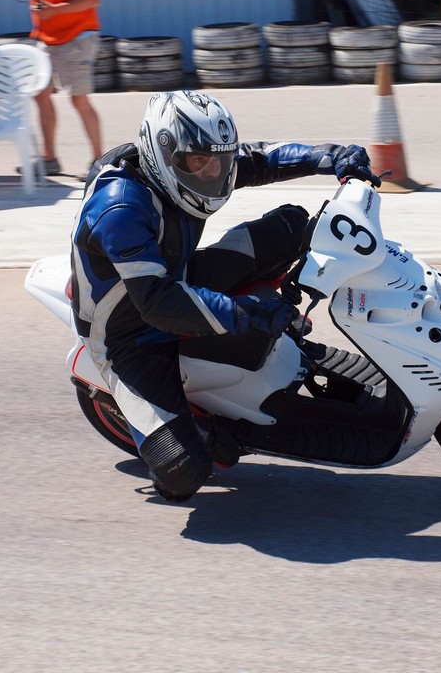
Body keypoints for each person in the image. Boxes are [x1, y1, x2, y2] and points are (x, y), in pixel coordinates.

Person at [71, 90, 379, 502]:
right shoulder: (121, 209)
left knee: (293, 226)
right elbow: (159, 304)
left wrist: (331, 156)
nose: (211, 173)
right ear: (162, 155)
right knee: (183, 473)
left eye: (218, 161)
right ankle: (198, 427)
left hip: (177, 275)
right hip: (130, 334)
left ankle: (270, 330)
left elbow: (261, 159)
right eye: (199, 163)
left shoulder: (188, 166)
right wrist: (248, 311)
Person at [20, 0, 102, 178]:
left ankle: (99, 162)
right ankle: (49, 159)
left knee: (79, 100)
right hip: (49, 37)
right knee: (40, 94)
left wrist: (55, 10)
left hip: (76, 38)